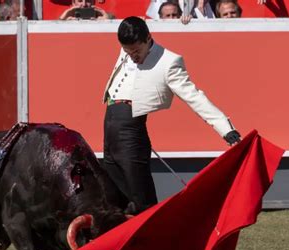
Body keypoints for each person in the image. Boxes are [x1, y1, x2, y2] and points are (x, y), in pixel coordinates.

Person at [102, 16, 241, 214]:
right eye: (127, 51)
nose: (132, 56)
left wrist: (226, 129)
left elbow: (194, 97)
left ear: (148, 38)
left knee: (142, 200)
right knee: (117, 198)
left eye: (136, 51)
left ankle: (157, 241)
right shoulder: (129, 44)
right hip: (110, 127)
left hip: (131, 133)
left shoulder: (168, 62)